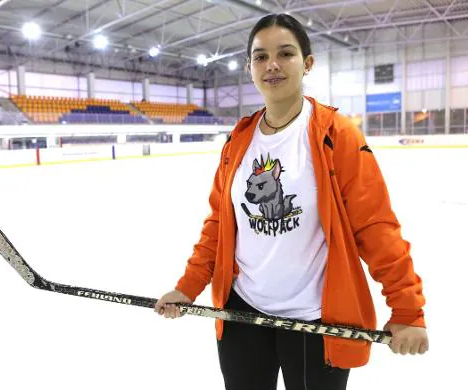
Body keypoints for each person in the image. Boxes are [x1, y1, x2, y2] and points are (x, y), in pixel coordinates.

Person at [154, 13, 428, 390]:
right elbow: (219, 224)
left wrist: (407, 309)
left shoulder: (336, 135)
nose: (272, 65)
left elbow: (375, 225)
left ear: (307, 63)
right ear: (249, 66)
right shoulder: (239, 141)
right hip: (242, 313)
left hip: (315, 319)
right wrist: (187, 287)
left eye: (285, 53)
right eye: (260, 56)